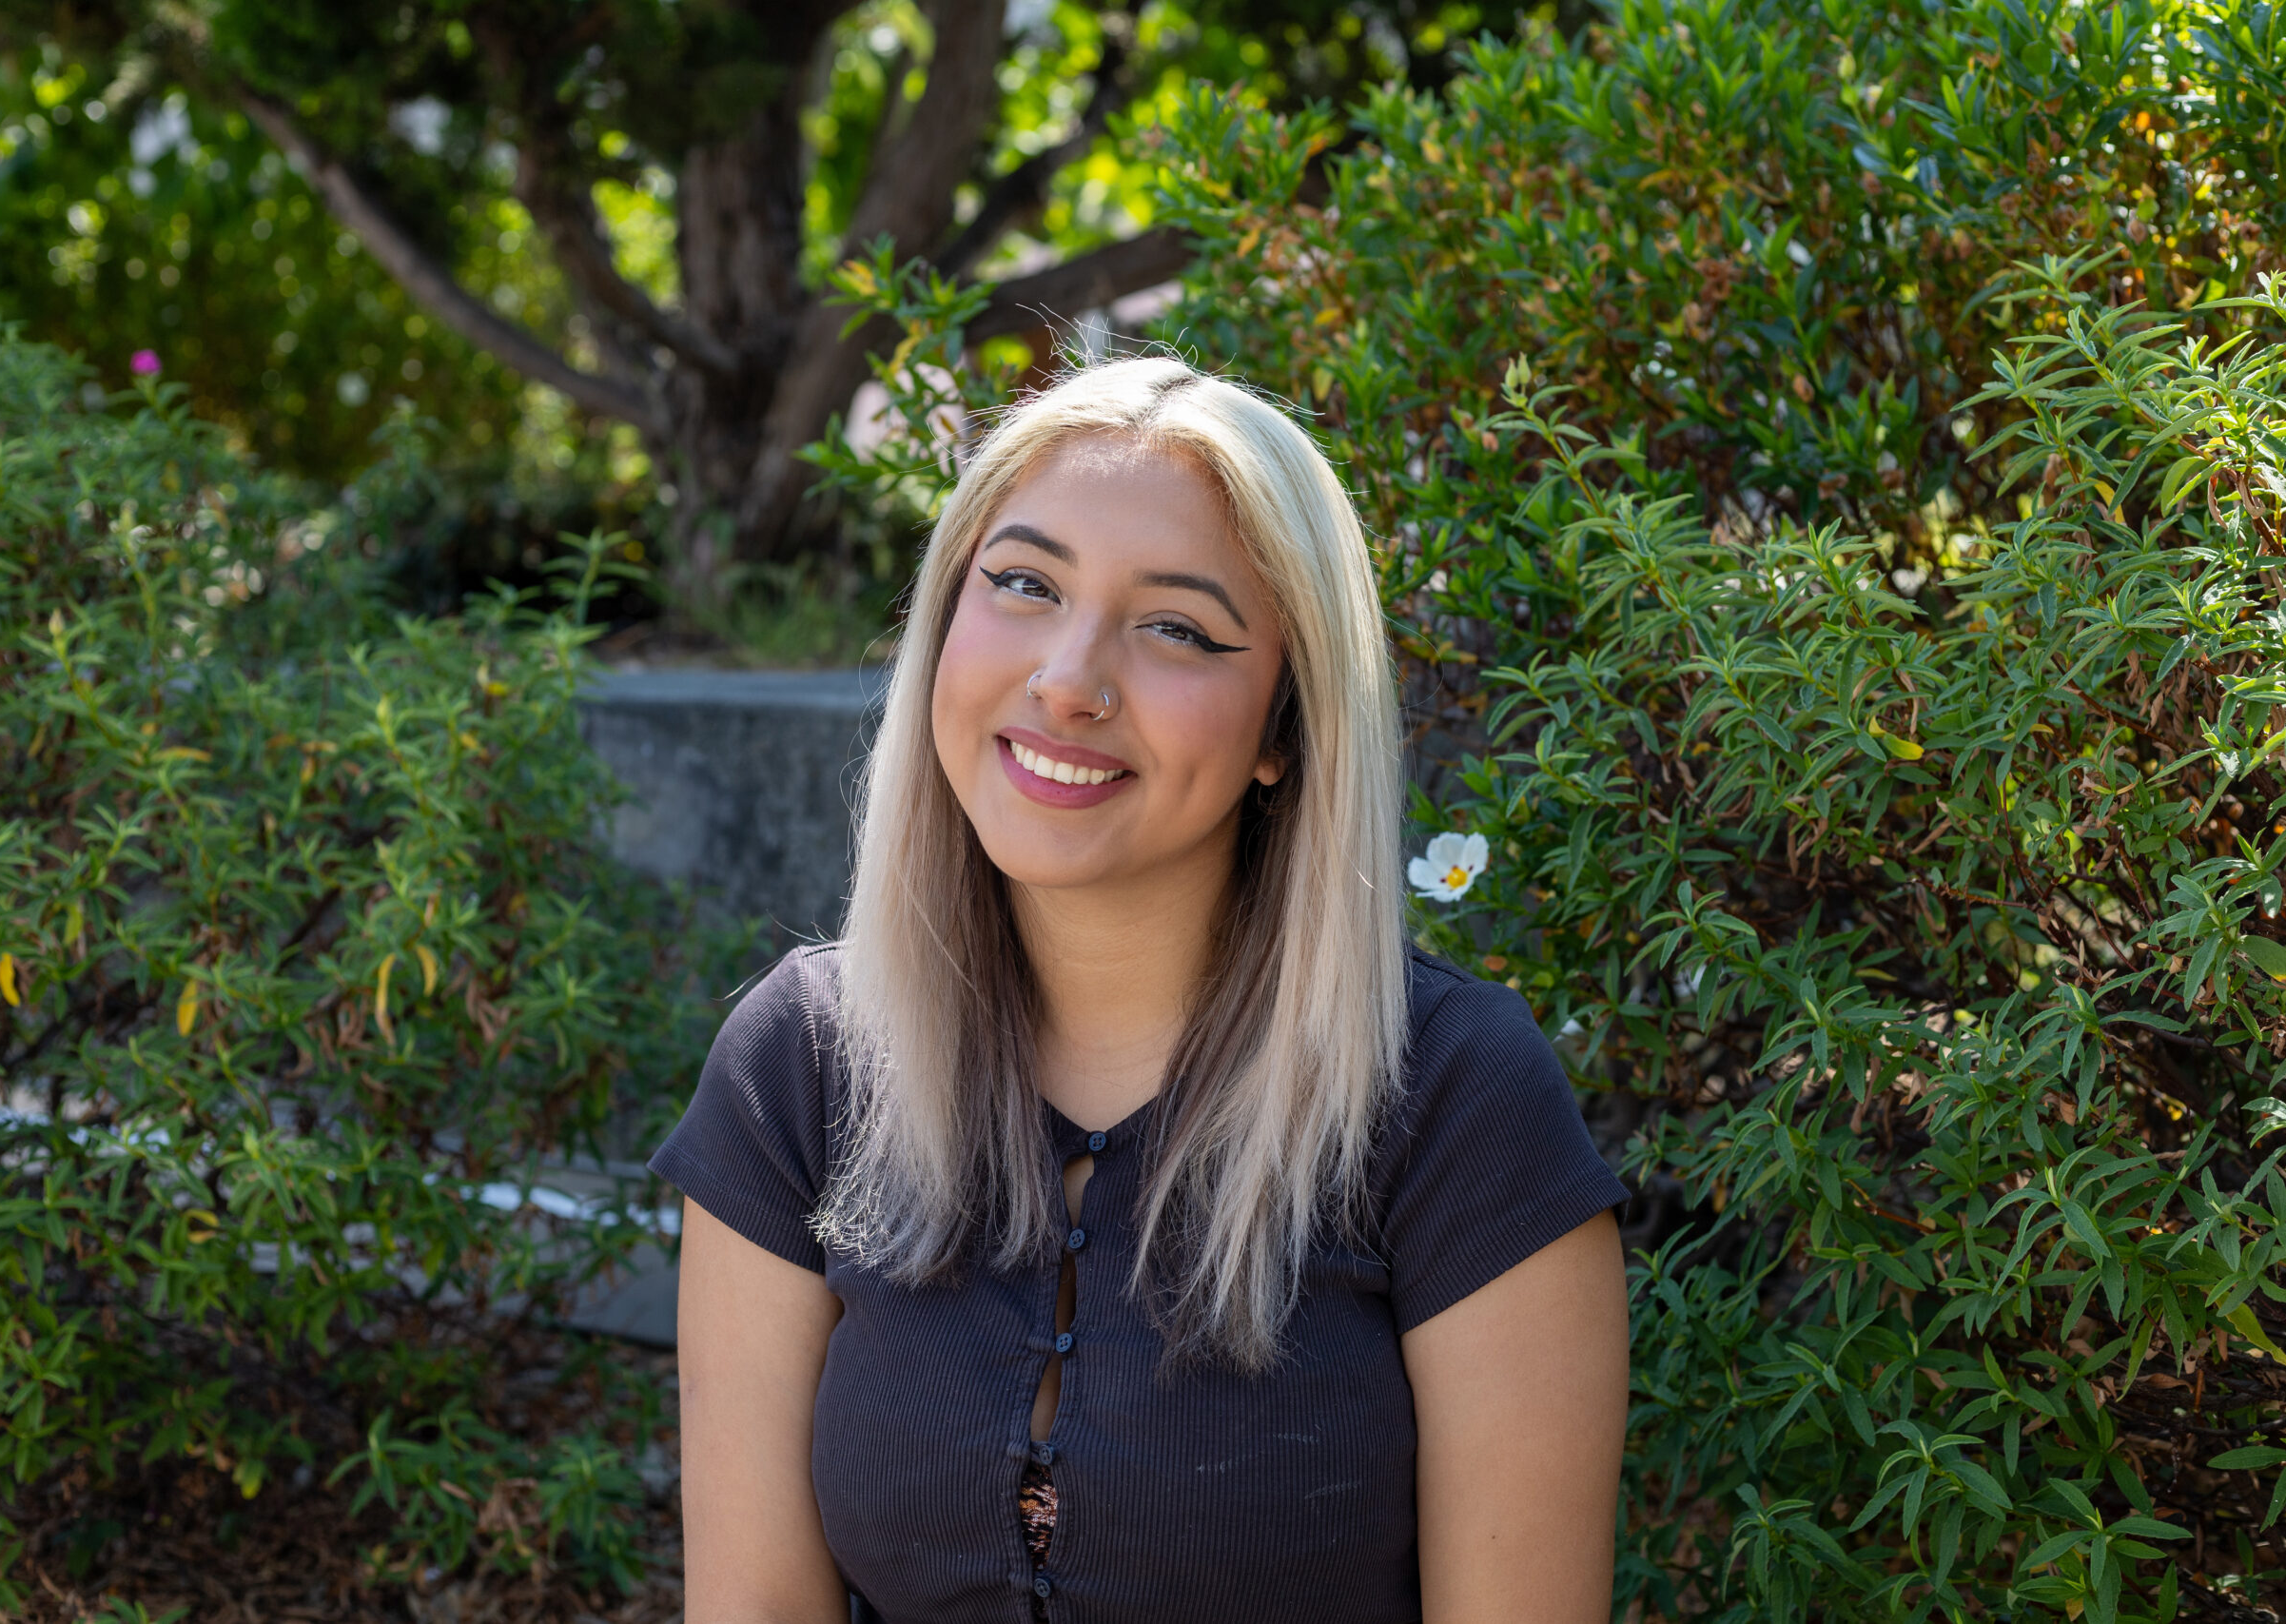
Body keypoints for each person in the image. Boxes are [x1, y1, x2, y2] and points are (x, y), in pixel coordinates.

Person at [653, 357, 1631, 1624]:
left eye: (1176, 626)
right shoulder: (799, 1062)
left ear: (1285, 728)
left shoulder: (1453, 1097)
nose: (1069, 676)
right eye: (1023, 584)